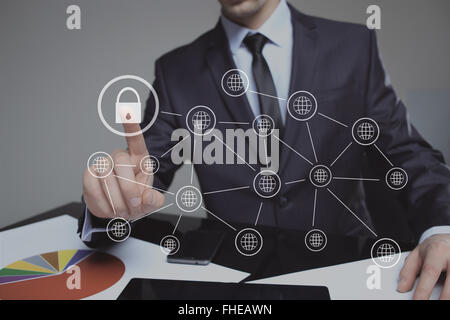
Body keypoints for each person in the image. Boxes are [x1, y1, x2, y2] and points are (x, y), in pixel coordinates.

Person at [80, 0, 450, 299]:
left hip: (348, 269)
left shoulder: (354, 46)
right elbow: (143, 174)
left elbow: (407, 152)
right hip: (236, 283)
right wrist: (113, 196)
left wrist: (442, 227)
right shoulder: (176, 71)